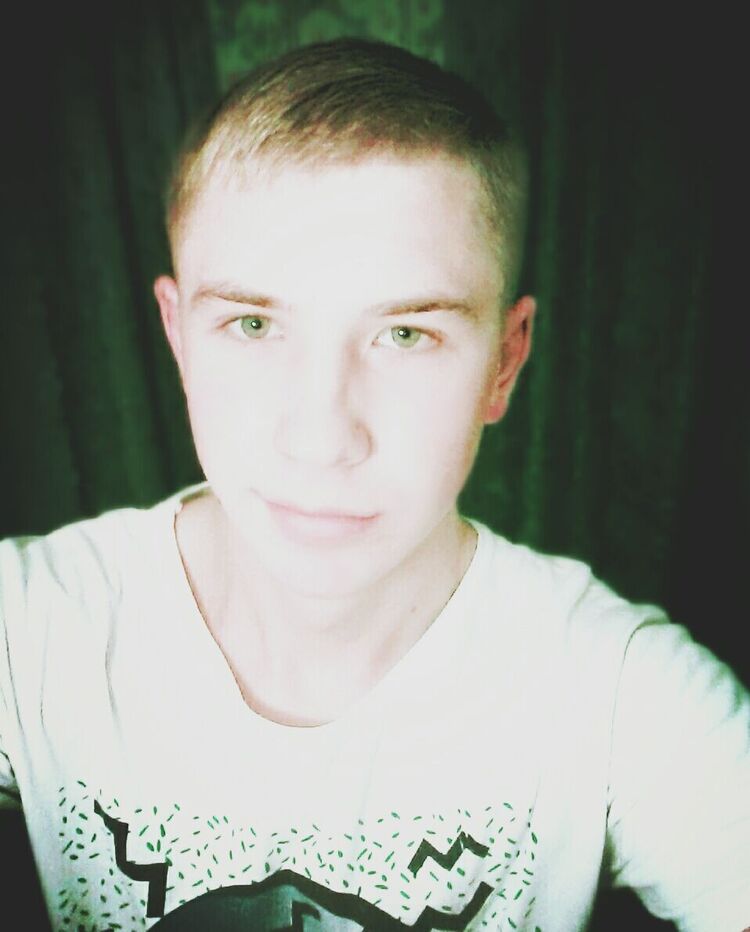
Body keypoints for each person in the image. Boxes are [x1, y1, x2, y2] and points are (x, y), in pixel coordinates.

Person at [0, 36, 747, 932]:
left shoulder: (623, 697)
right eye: (252, 325)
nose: (323, 439)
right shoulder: (28, 630)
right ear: (178, 337)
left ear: (505, 363)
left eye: (405, 335)